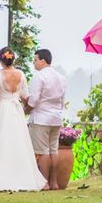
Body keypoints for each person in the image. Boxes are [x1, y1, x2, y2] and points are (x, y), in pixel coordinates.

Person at [0, 47, 46, 192]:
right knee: (18, 141)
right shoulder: (21, 74)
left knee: (1, 141)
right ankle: (23, 177)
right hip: (16, 110)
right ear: (13, 59)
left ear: (1, 60)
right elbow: (25, 96)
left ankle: (1, 178)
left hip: (1, 109)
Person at [26, 49, 66, 190]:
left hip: (41, 118)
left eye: (35, 59)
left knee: (42, 151)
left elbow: (34, 99)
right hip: (56, 118)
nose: (34, 62)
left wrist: (26, 110)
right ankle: (54, 181)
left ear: (43, 61)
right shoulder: (61, 77)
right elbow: (62, 100)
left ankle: (44, 182)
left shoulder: (39, 76)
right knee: (53, 150)